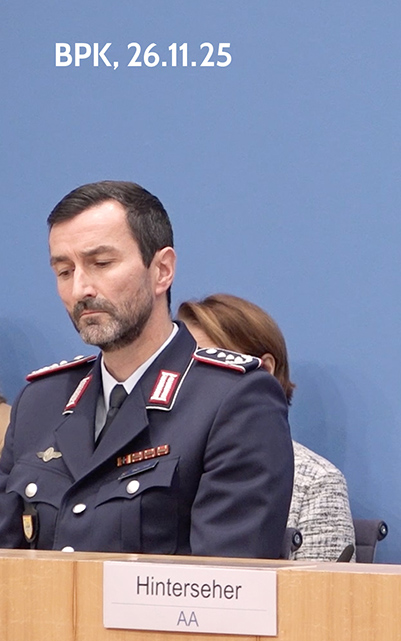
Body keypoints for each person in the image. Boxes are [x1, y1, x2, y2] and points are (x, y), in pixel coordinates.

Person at [0, 181, 293, 557]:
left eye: (101, 264)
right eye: (64, 271)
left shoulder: (235, 399)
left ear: (162, 271)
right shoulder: (41, 402)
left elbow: (226, 580)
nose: (80, 289)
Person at [178, 293, 356, 562]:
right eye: (183, 366)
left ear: (265, 369)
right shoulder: (151, 465)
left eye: (209, 365)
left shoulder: (316, 483)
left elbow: (323, 589)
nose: (188, 379)